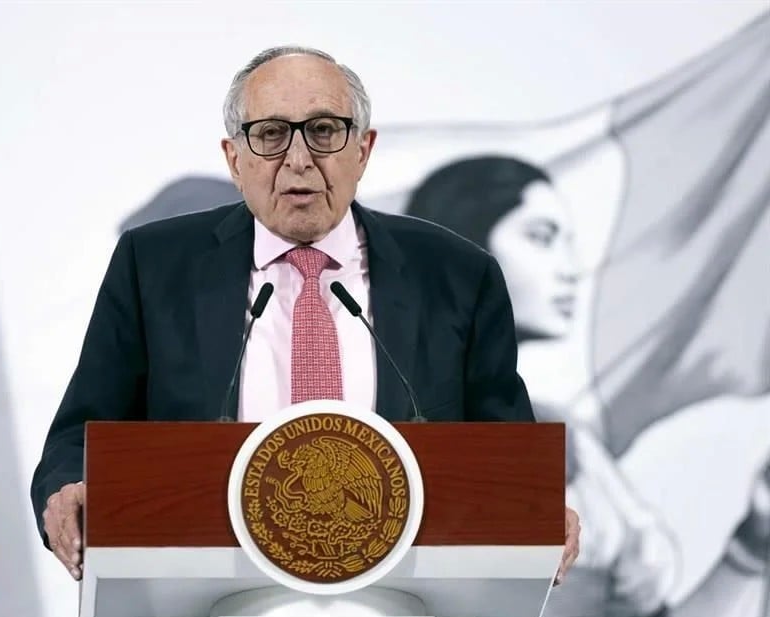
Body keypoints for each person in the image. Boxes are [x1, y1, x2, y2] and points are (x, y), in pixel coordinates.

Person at [30, 46, 581, 585]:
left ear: (362, 150)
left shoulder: (457, 274)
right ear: (234, 158)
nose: (298, 159)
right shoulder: (154, 266)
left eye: (323, 131)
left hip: (406, 605)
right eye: (271, 134)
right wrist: (68, 488)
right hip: (205, 601)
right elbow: (80, 437)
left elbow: (507, 455)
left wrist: (538, 510)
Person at [405, 156, 678, 617]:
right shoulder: (393, 424)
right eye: (542, 238)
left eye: (569, 243)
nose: (572, 270)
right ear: (463, 252)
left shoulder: (564, 432)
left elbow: (648, 594)